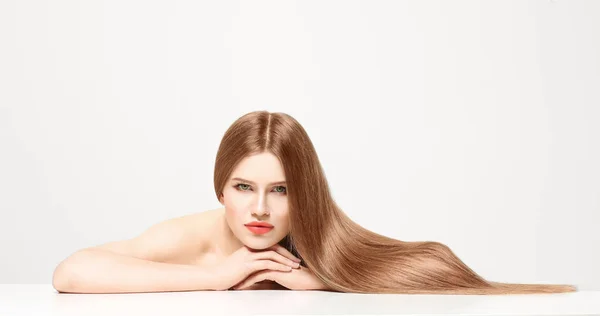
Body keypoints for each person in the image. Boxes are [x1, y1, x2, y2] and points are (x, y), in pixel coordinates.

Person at [52, 110, 577, 294]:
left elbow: (431, 262)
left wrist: (326, 277)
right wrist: (215, 278)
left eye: (280, 191)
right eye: (243, 188)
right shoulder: (188, 238)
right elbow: (71, 272)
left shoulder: (317, 239)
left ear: (305, 194)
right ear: (220, 191)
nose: (260, 209)